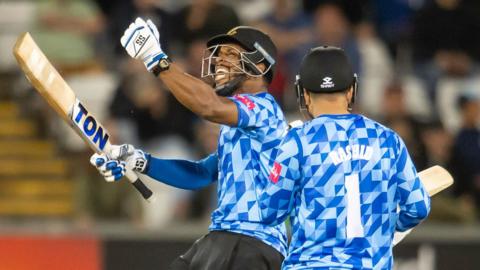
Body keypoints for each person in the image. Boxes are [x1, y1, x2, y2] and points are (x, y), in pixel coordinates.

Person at [91, 18, 288, 269]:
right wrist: (138, 160)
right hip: (224, 238)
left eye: (231, 53)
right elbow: (200, 174)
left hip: (252, 242)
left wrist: (156, 59)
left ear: (259, 65)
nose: (218, 60)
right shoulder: (239, 126)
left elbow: (208, 106)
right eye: (219, 54)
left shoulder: (265, 109)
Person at [258, 46, 431, 269]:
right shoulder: (387, 139)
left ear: (304, 93)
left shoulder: (297, 141)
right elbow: (418, 207)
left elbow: (269, 212)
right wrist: (390, 226)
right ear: (351, 90)